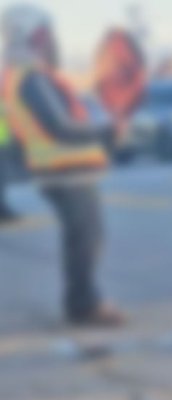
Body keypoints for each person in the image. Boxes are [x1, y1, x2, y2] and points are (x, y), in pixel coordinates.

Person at [1, 4, 122, 325]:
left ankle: (81, 302)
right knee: (85, 237)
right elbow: (60, 126)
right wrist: (104, 132)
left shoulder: (25, 75)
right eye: (45, 35)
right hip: (64, 169)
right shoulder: (32, 78)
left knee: (82, 236)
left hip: (58, 168)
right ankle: (83, 305)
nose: (52, 41)